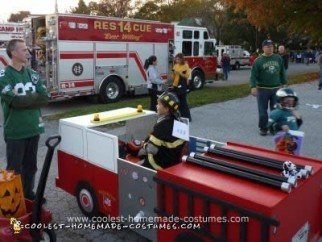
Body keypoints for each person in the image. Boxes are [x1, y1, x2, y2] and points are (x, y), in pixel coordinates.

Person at [0, 39, 49, 200]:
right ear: (13, 53)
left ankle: (28, 194)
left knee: (31, 166)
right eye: (23, 50)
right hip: (15, 131)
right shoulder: (4, 76)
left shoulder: (32, 74)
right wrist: (32, 97)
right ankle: (14, 200)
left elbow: (44, 98)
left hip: (33, 128)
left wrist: (26, 99)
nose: (27, 53)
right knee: (14, 169)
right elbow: (15, 102)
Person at [141, 92, 186, 170]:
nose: (156, 106)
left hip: (159, 165)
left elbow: (151, 149)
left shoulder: (161, 126)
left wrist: (143, 144)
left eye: (159, 104)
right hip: (174, 161)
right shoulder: (180, 122)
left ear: (166, 109)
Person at [250, 39, 287, 136]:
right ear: (263, 48)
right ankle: (263, 128)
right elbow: (253, 75)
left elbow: (282, 72)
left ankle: (273, 127)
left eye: (271, 47)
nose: (270, 48)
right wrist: (253, 87)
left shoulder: (278, 58)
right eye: (268, 47)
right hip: (262, 89)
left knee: (275, 110)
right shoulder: (258, 61)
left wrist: (284, 83)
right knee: (262, 111)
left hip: (276, 88)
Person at [171, 53, 192, 121]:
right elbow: (173, 75)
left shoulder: (185, 65)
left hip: (182, 85)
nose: (177, 60)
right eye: (176, 59)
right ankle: (179, 116)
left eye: (178, 59)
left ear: (181, 59)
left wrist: (180, 73)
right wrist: (172, 83)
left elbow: (187, 76)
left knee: (183, 102)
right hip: (175, 85)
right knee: (176, 102)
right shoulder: (175, 65)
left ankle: (187, 117)